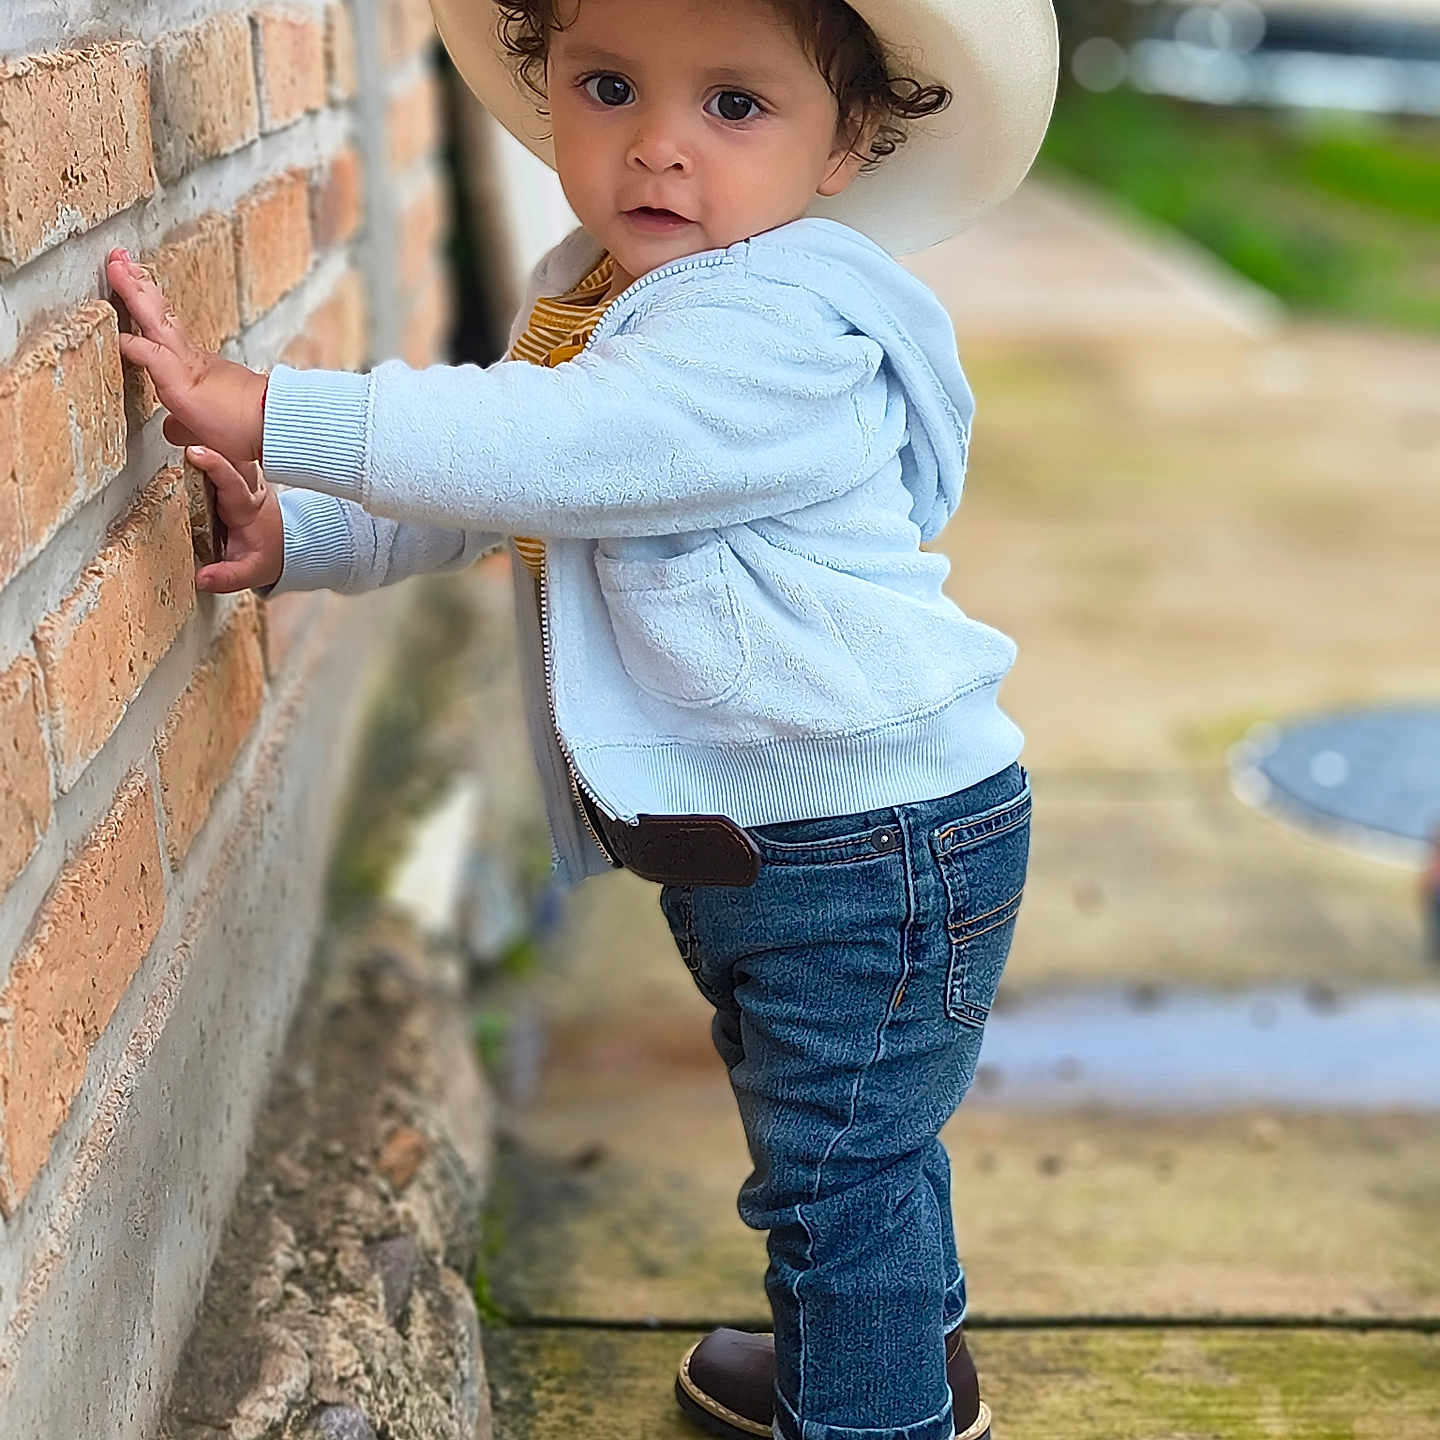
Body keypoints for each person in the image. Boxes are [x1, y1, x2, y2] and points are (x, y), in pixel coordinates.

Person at [106, 2, 1057, 1438]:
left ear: (848, 143)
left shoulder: (779, 320)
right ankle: (893, 1355)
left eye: (735, 107)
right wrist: (304, 537)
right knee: (854, 1138)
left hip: (876, 846)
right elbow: (507, 487)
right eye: (610, 88)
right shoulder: (605, 291)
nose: (659, 146)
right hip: (782, 838)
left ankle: (876, 1409)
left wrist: (275, 409)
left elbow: (554, 449)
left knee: (835, 1165)